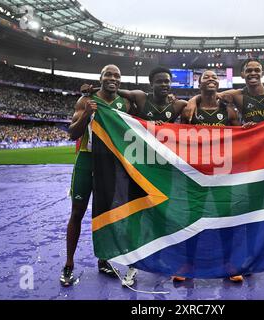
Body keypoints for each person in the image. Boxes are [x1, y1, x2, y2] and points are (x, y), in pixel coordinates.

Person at [187, 59, 264, 281]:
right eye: (249, 71)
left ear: (262, 72)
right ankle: (244, 261)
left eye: (257, 70)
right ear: (242, 74)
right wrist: (192, 100)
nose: (253, 73)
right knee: (248, 212)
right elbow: (210, 93)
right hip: (252, 161)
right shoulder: (236, 96)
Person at [80, 67, 187, 287]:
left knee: (166, 214)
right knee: (137, 215)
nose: (164, 85)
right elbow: (117, 92)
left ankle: (166, 258)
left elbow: (192, 107)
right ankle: (133, 265)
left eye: (167, 81)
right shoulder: (139, 97)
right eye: (159, 81)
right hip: (138, 167)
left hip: (164, 168)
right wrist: (90, 90)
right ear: (151, 84)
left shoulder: (178, 105)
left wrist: (191, 102)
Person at [60, 64, 131, 287]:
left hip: (109, 165)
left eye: (116, 76)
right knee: (77, 213)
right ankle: (69, 264)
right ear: (100, 78)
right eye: (108, 74)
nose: (112, 78)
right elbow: (72, 134)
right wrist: (87, 115)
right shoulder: (86, 101)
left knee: (106, 215)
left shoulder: (125, 104)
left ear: (120, 81)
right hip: (87, 161)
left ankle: (103, 260)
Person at [179, 70, 244, 283]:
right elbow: (180, 138)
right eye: (206, 77)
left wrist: (248, 131)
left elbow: (241, 140)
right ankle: (188, 263)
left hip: (222, 173)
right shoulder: (190, 110)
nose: (211, 79)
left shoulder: (230, 112)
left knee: (226, 217)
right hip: (195, 172)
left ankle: (229, 263)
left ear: (219, 84)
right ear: (199, 84)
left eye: (215, 78)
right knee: (192, 217)